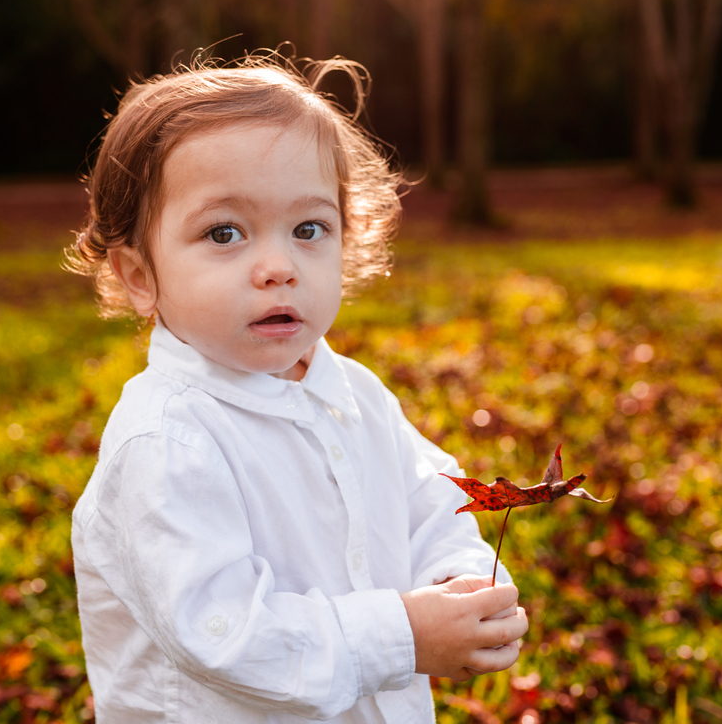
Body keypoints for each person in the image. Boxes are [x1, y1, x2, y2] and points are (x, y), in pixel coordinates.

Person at [67, 55, 528, 723]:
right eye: (224, 233)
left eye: (309, 229)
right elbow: (224, 635)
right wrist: (404, 633)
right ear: (139, 275)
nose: (279, 267)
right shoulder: (167, 439)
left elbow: (430, 499)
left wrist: (456, 582)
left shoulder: (353, 392)